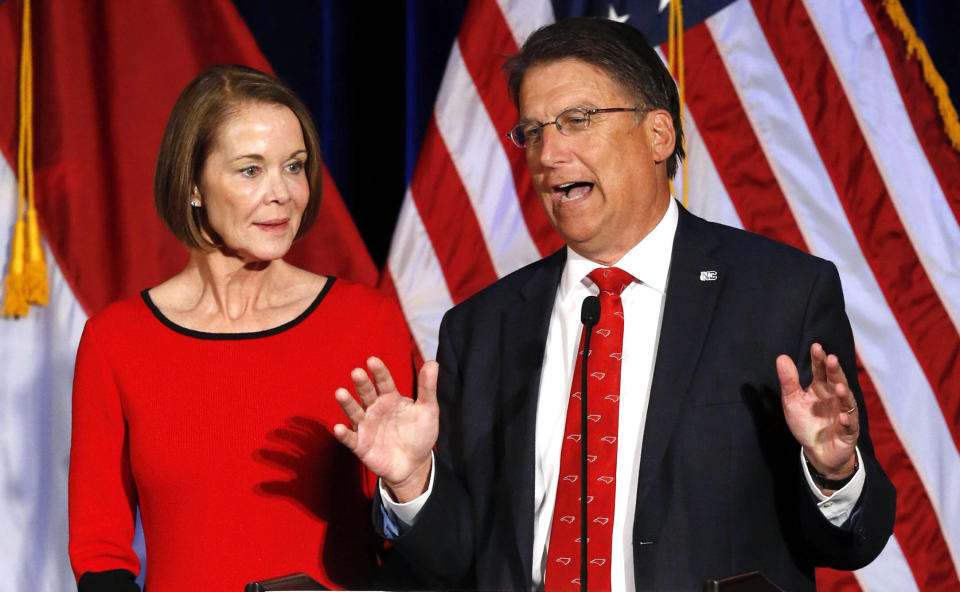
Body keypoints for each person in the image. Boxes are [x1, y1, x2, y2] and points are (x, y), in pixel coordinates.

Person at [333, 18, 896, 592]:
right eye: (532, 132)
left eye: (577, 120)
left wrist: (834, 473)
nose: (549, 154)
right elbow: (453, 561)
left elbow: (854, 541)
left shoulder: (780, 294)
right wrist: (413, 482)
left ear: (659, 135)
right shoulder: (481, 327)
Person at [68, 65, 414, 592]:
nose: (282, 192)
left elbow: (411, 542)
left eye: (294, 167)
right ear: (193, 185)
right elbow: (99, 547)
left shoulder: (366, 321)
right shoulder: (115, 340)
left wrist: (410, 483)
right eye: (251, 170)